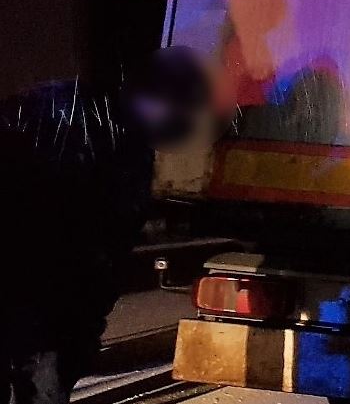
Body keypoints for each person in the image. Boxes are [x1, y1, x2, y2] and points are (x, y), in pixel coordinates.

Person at [2, 47, 212, 404]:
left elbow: (106, 247)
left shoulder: (100, 125)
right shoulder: (91, 129)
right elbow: (92, 241)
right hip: (40, 295)